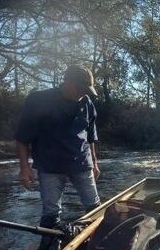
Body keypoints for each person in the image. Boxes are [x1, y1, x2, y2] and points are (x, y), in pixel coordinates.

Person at [15, 65, 102, 231]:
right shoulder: (38, 100)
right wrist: (24, 168)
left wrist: (95, 163)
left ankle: (96, 242)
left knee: (95, 207)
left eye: (87, 89)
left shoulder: (87, 102)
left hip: (82, 163)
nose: (83, 93)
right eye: (80, 88)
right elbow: (22, 137)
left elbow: (90, 137)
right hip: (50, 166)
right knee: (51, 214)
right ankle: (49, 248)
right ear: (67, 81)